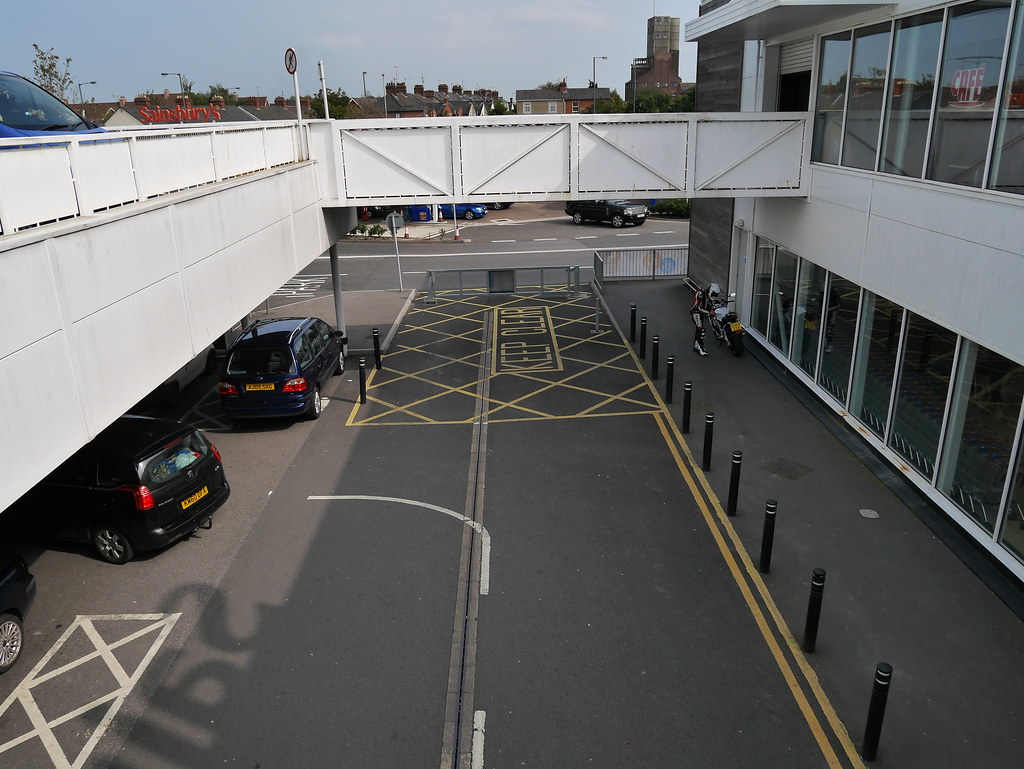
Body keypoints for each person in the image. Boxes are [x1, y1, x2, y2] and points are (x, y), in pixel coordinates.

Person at [691, 282, 720, 356]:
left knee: (698, 330)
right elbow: (699, 307)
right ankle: (701, 349)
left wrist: (711, 310)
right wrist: (709, 312)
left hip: (699, 314)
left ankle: (696, 346)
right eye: (714, 294)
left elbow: (706, 306)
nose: (713, 296)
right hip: (696, 313)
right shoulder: (701, 294)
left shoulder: (705, 295)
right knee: (702, 331)